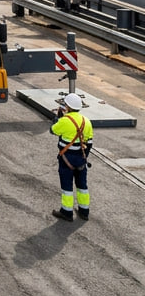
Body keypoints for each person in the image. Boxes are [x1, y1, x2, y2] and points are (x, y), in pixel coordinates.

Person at [50, 92, 93, 222]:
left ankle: (67, 212)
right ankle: (84, 211)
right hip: (81, 158)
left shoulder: (65, 121)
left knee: (67, 185)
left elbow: (53, 130)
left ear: (67, 107)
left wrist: (57, 118)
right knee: (82, 185)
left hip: (66, 158)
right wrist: (83, 157)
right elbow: (89, 143)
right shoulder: (87, 121)